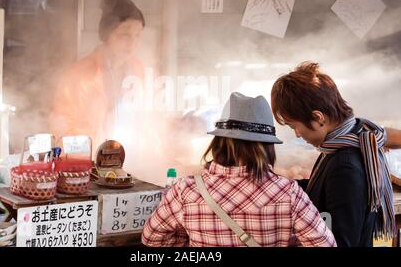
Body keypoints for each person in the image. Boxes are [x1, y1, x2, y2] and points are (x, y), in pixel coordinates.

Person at [142, 92, 336, 247]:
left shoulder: (186, 191)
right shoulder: (289, 193)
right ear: (267, 146)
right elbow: (324, 244)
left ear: (219, 142)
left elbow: (152, 238)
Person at [271, 62, 398, 247]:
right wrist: (279, 186)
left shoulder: (344, 164)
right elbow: (326, 192)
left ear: (318, 118)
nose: (297, 134)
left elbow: (342, 242)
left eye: (294, 126)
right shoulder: (339, 144)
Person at [50, 0, 145, 146]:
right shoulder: (79, 75)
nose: (132, 43)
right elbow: (61, 128)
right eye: (124, 35)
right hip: (91, 163)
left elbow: (147, 121)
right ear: (107, 34)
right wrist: (93, 154)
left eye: (137, 35)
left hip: (131, 159)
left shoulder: (138, 70)